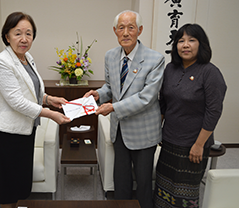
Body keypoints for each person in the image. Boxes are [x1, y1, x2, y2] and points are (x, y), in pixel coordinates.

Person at [0, 12, 71, 208]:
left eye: (29, 33)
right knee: (6, 186)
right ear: (7, 36)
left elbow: (31, 92)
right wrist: (50, 114)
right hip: (7, 133)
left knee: (19, 180)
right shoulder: (2, 62)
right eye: (17, 33)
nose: (24, 39)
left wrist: (50, 99)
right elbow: (16, 101)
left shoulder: (27, 58)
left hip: (26, 129)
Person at [84, 10, 165, 208]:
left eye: (131, 27)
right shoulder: (111, 56)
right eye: (121, 28)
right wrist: (98, 94)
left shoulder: (155, 59)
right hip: (119, 128)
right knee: (121, 179)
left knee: (144, 182)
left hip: (143, 130)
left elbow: (147, 97)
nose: (126, 32)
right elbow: (111, 87)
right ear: (115, 31)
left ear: (140, 30)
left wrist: (113, 107)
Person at [153, 23, 227, 208]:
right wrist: (157, 133)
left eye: (191, 40)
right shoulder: (170, 69)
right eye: (181, 40)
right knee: (164, 187)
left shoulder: (210, 72)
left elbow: (214, 111)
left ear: (201, 44)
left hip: (194, 144)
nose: (185, 45)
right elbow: (163, 103)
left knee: (185, 194)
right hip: (169, 140)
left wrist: (199, 144)